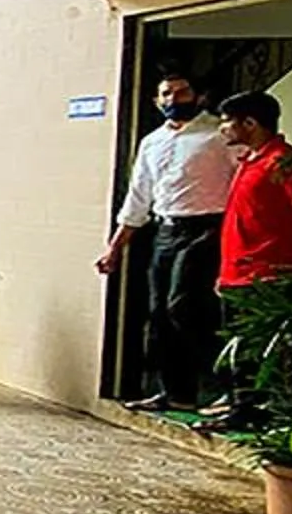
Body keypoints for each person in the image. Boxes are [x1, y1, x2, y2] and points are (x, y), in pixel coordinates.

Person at [97, 70, 239, 412]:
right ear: (156, 100)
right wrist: (115, 248)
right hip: (164, 231)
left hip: (208, 229)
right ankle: (175, 392)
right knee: (159, 312)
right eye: (166, 94)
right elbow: (138, 197)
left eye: (181, 92)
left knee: (185, 307)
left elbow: (244, 182)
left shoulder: (218, 136)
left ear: (198, 96)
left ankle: (224, 390)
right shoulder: (152, 141)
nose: (174, 100)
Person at [208, 89, 292, 429]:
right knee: (239, 347)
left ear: (250, 123)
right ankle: (239, 406)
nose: (222, 128)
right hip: (237, 271)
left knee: (260, 350)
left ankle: (257, 414)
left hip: (267, 274)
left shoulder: (284, 162)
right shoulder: (249, 162)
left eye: (227, 122)